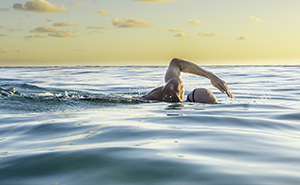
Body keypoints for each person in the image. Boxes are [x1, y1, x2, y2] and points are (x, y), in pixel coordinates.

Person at [141, 58, 233, 103]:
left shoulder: (174, 91)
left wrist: (210, 75)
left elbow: (175, 63)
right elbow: (176, 63)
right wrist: (210, 75)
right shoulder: (173, 94)